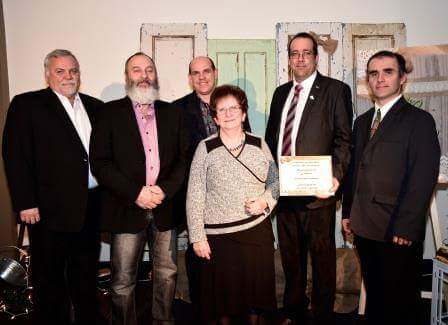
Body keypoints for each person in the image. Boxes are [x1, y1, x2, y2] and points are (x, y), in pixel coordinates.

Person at [2, 49, 103, 325]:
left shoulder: (96, 106)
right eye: (60, 71)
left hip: (90, 207)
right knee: (49, 279)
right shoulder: (27, 105)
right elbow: (14, 155)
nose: (68, 76)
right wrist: (25, 201)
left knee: (85, 274)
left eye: (73, 71)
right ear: (48, 74)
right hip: (47, 210)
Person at [90, 52, 189, 325]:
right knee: (122, 280)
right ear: (127, 77)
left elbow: (183, 159)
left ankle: (163, 321)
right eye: (137, 70)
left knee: (167, 273)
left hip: (164, 208)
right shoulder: (107, 114)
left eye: (149, 70)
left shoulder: (173, 113)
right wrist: (137, 193)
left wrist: (164, 190)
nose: (144, 75)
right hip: (125, 208)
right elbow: (101, 163)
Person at [342, 50, 440, 325]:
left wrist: (406, 227)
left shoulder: (419, 121)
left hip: (396, 231)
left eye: (388, 72)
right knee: (376, 299)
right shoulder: (362, 123)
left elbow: (423, 178)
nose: (380, 79)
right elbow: (354, 172)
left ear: (403, 78)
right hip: (364, 228)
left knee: (401, 304)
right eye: (374, 73)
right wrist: (347, 212)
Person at [265, 32, 352, 324]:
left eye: (306, 53)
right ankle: (294, 311)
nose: (300, 58)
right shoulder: (280, 94)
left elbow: (343, 140)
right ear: (289, 59)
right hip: (285, 193)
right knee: (291, 259)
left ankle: (322, 315)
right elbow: (271, 140)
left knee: (322, 259)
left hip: (319, 193)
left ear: (316, 57)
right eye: (294, 53)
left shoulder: (335, 90)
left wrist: (336, 177)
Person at [186, 85, 279, 324]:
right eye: (222, 109)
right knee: (222, 307)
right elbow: (195, 194)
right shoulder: (205, 148)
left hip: (256, 234)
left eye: (234, 108)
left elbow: (276, 183)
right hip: (218, 239)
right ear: (215, 117)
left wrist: (264, 202)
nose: (228, 114)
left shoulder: (259, 145)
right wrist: (197, 236)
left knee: (255, 305)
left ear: (244, 114)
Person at [173, 56, 251, 309]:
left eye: (206, 71)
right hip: (197, 198)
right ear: (189, 78)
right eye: (195, 73)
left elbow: (244, 145)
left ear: (215, 73)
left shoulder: (231, 103)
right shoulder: (177, 110)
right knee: (199, 258)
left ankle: (230, 309)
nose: (202, 76)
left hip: (232, 201)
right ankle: (202, 310)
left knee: (229, 262)